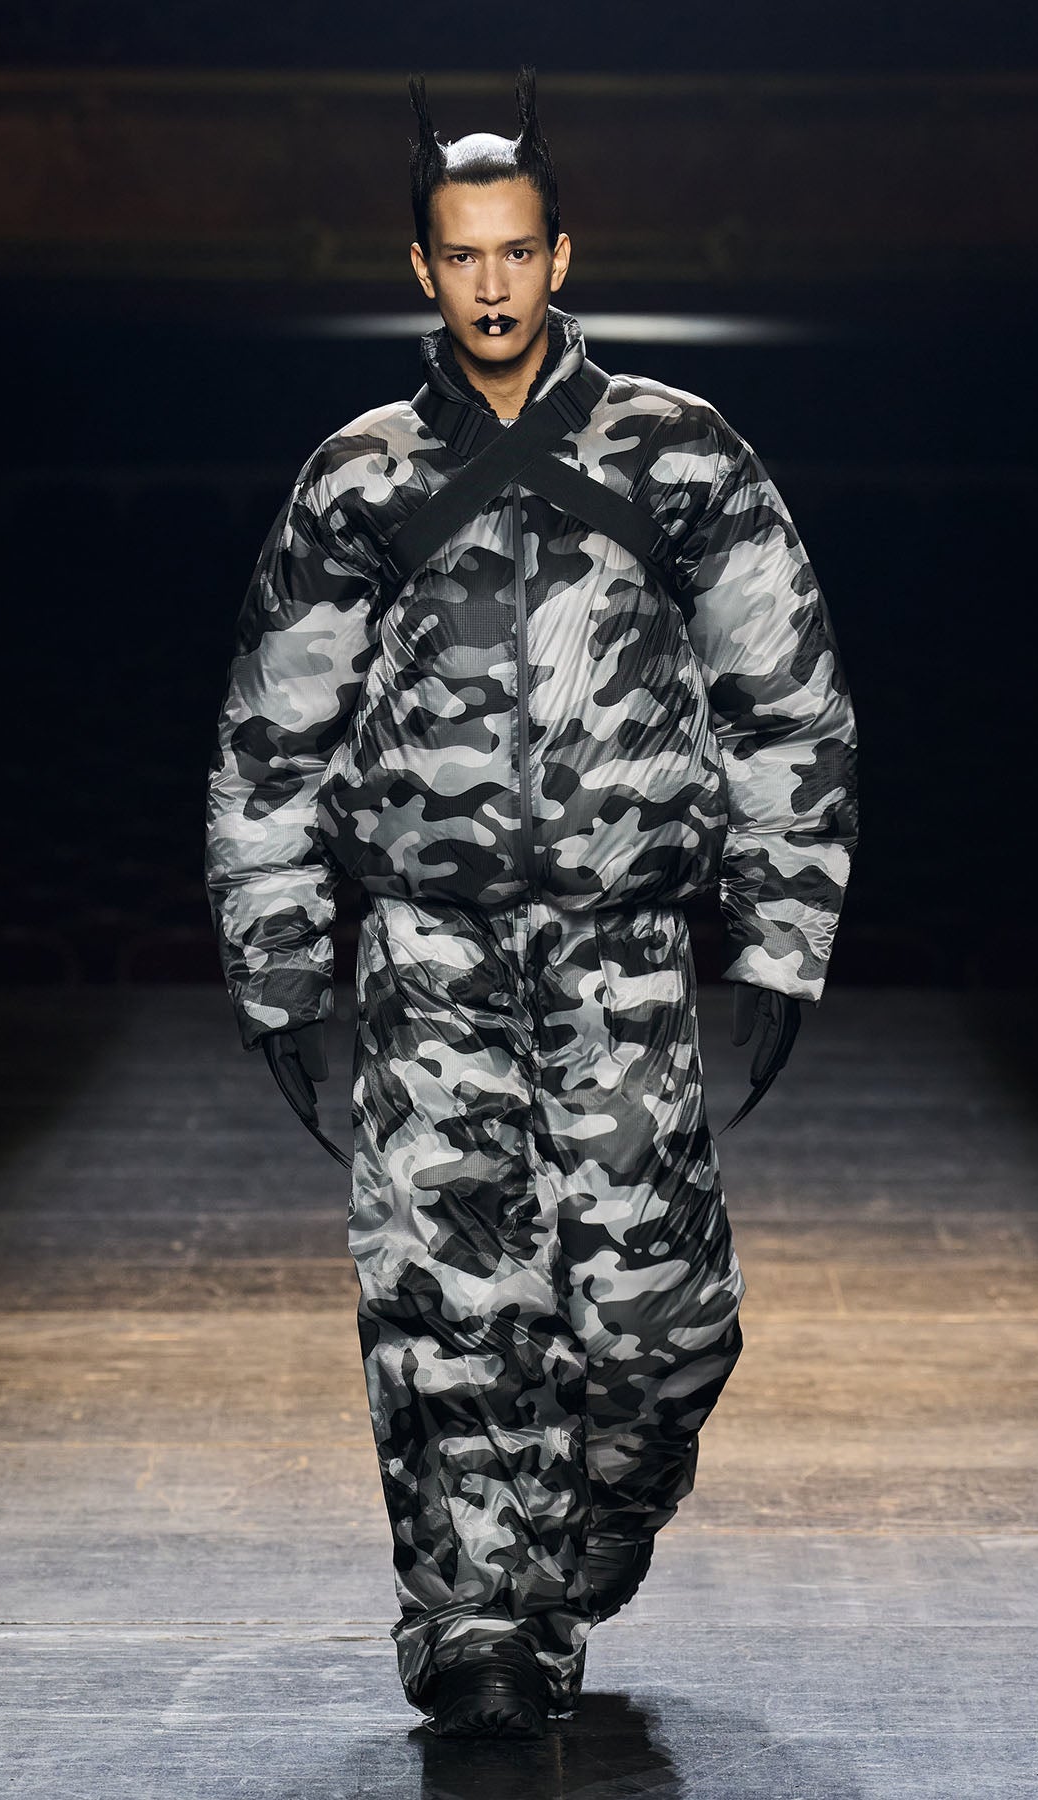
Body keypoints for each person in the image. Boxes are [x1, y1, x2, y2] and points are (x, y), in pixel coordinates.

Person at [204, 64, 859, 1740]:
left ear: (561, 256)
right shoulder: (359, 479)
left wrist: (782, 933)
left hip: (621, 954)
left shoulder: (679, 453)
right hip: (425, 954)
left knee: (663, 1329)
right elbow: (274, 732)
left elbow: (784, 698)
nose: (491, 284)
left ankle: (569, 1557)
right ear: (422, 268)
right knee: (453, 1313)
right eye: (461, 254)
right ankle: (478, 1622)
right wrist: (280, 967)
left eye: (516, 250)